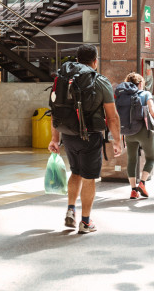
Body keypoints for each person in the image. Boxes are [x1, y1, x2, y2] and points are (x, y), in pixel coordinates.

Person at [48, 45, 122, 234]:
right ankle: (86, 222)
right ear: (95, 61)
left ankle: (71, 209)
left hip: (68, 135)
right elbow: (112, 116)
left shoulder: (63, 78)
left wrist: (55, 139)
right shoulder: (100, 81)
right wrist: (116, 141)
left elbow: (55, 110)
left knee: (76, 172)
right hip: (90, 136)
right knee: (89, 178)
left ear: (77, 59)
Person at [123, 72, 154, 200]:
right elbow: (153, 113)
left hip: (128, 132)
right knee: (151, 158)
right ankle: (142, 183)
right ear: (141, 83)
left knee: (131, 160)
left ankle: (133, 190)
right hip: (144, 131)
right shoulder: (146, 94)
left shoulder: (124, 96)